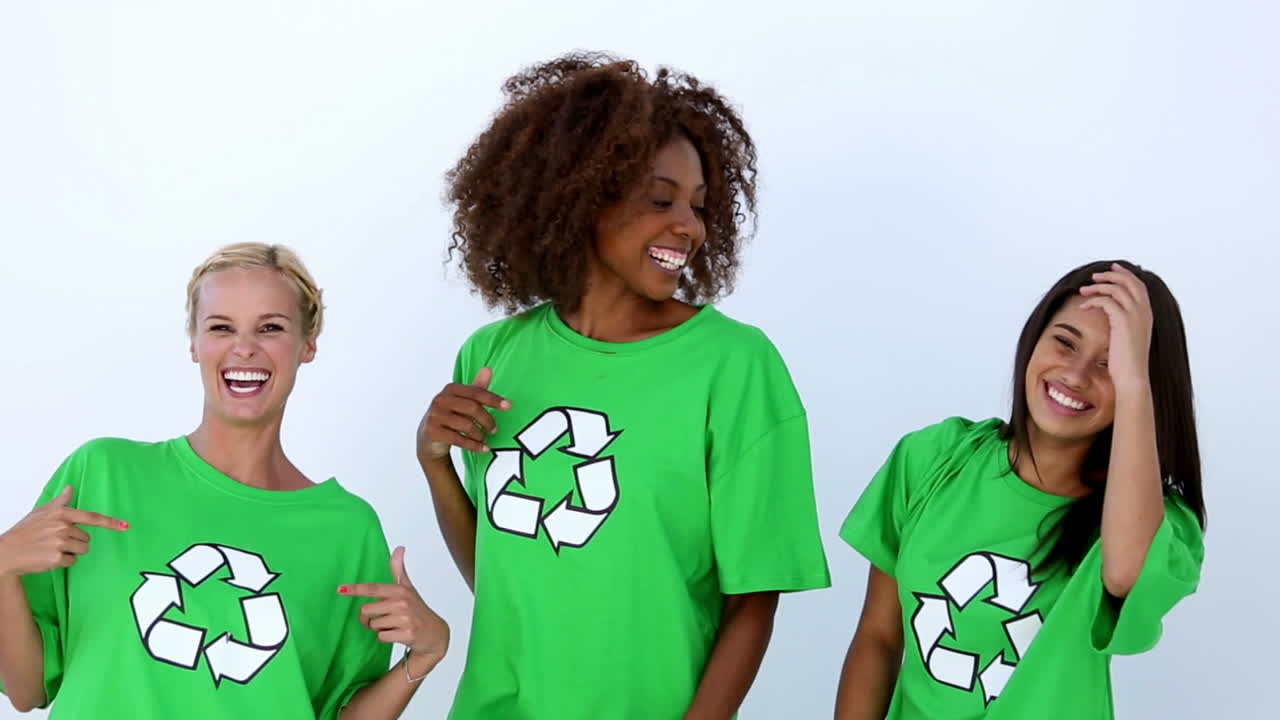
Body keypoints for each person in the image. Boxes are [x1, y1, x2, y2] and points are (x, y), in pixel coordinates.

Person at [417, 52, 831, 719]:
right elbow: (503, 579)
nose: (689, 225)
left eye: (698, 205)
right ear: (578, 195)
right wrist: (435, 464)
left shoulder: (734, 367)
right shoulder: (491, 355)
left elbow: (753, 601)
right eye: (660, 200)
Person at [0, 243, 449, 719]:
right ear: (194, 342)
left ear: (308, 344)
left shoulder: (347, 530)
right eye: (221, 327)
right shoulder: (103, 475)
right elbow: (27, 689)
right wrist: (3, 563)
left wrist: (424, 657)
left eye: (271, 328)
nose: (245, 347)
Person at [833, 261, 1206, 719]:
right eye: (1065, 342)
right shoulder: (933, 458)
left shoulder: (1158, 523)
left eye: (1111, 364)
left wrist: (1133, 381)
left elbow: (1126, 572)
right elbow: (879, 637)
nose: (1076, 375)